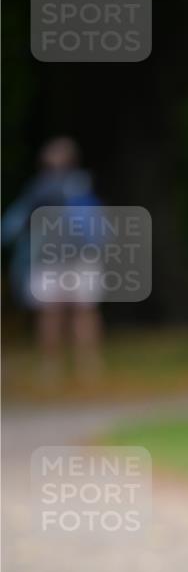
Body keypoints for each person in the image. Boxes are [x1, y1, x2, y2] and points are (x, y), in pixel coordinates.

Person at [1, 136, 105, 385]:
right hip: (48, 259)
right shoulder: (37, 190)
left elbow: (97, 224)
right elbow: (14, 224)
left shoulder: (81, 187)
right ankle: (52, 367)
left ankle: (88, 365)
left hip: (79, 257)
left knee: (83, 311)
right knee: (51, 313)